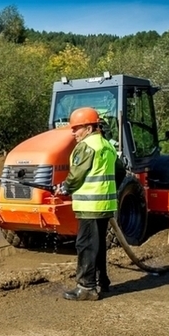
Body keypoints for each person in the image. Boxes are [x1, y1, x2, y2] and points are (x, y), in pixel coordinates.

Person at [54, 107, 118, 301]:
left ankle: (86, 288)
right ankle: (101, 282)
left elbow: (76, 176)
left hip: (90, 207)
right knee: (97, 246)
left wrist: (64, 188)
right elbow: (120, 172)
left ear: (89, 128)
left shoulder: (86, 146)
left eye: (77, 128)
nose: (73, 132)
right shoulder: (106, 145)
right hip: (104, 206)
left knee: (86, 246)